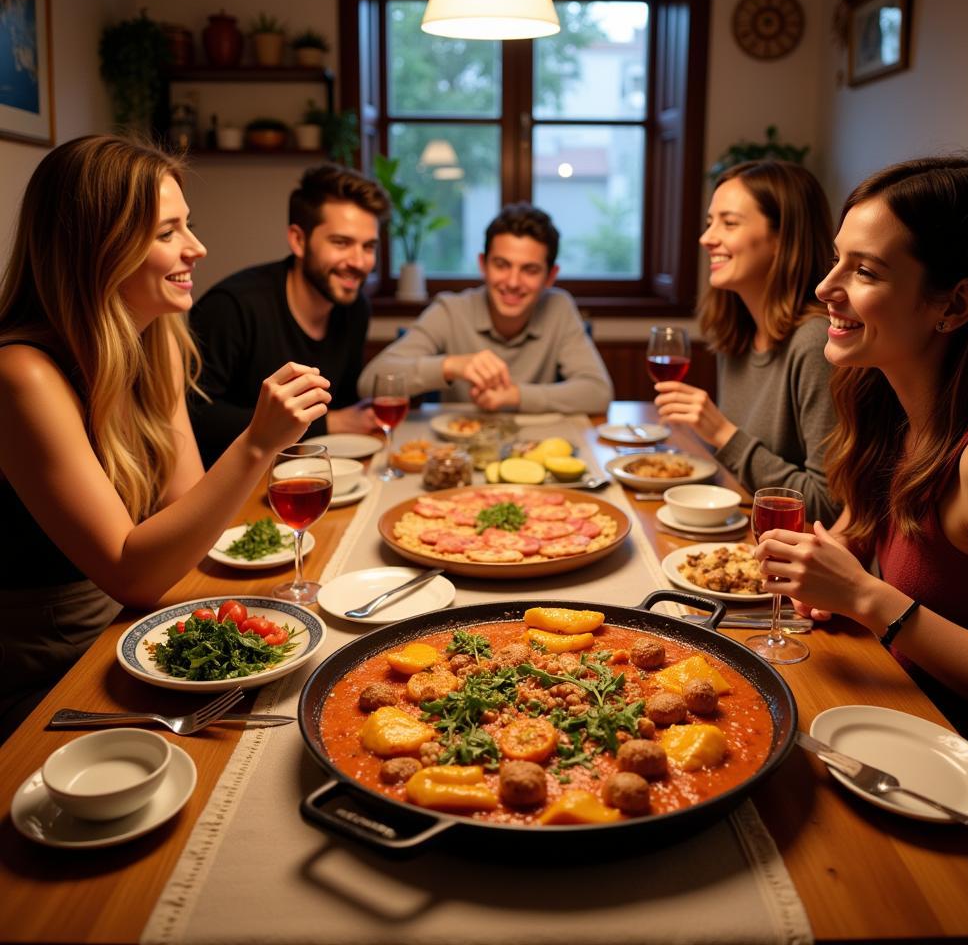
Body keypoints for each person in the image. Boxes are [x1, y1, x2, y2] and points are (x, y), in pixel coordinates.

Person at [0, 136, 331, 738]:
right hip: (49, 669)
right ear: (95, 250)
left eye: (189, 226)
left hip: (131, 629)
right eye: (166, 233)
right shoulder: (22, 374)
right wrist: (258, 444)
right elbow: (133, 572)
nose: (197, 248)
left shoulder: (159, 343)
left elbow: (184, 517)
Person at [755, 155, 968, 787]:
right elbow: (851, 535)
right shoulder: (886, 403)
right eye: (835, 259)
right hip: (895, 718)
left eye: (865, 270)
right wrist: (825, 567)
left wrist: (866, 597)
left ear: (953, 305)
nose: (825, 288)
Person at [654, 161, 840, 523]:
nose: (706, 238)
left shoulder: (816, 343)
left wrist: (722, 432)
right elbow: (738, 473)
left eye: (729, 222)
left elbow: (826, 506)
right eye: (710, 222)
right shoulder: (737, 334)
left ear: (781, 238)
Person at [188, 163, 390, 467]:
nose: (359, 262)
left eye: (369, 247)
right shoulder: (233, 307)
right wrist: (328, 424)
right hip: (231, 483)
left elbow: (342, 403)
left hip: (312, 472)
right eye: (341, 243)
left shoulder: (355, 308)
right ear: (298, 240)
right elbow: (194, 417)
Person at [357, 202, 613, 414]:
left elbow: (598, 393)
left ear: (550, 276)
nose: (512, 282)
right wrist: (451, 366)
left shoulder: (559, 307)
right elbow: (370, 382)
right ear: (483, 264)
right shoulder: (451, 309)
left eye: (530, 270)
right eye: (501, 265)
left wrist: (515, 395)